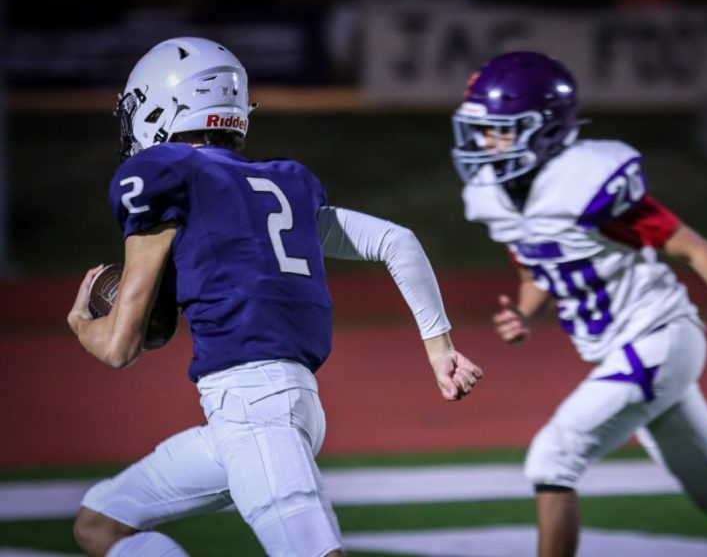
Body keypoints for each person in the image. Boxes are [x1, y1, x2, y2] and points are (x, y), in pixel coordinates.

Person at [67, 37, 483, 557]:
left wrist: (82, 320)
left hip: (254, 409)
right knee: (101, 521)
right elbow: (396, 240)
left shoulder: (160, 175)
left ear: (163, 105)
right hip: (276, 409)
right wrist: (440, 351)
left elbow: (119, 347)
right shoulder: (282, 182)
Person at [451, 51, 707, 557]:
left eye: (501, 130)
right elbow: (541, 267)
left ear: (545, 129)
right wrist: (526, 313)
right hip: (629, 349)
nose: (485, 143)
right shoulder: (500, 194)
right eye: (482, 129)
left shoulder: (585, 181)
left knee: (553, 458)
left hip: (660, 336)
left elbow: (693, 248)